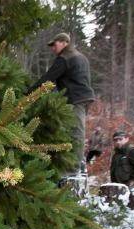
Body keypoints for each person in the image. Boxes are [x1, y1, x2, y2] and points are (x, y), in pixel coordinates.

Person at [29, 32, 95, 175]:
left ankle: (73, 169)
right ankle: (74, 164)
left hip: (76, 100)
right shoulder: (81, 57)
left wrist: (28, 94)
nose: (53, 48)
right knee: (72, 131)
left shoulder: (65, 58)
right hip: (84, 98)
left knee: (76, 133)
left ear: (64, 42)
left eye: (55, 44)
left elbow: (48, 79)